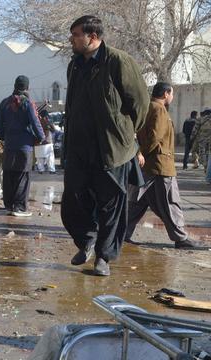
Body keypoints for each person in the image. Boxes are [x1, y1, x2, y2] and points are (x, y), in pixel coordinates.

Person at [61, 16, 149, 276]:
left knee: (111, 205)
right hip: (79, 148)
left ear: (93, 36)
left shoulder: (119, 61)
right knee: (73, 199)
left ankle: (104, 257)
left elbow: (141, 103)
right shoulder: (75, 65)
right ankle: (86, 239)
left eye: (75, 34)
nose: (71, 39)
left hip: (111, 149)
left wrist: (126, 134)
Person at [125, 83, 202, 249]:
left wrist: (139, 154)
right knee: (170, 202)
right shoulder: (159, 109)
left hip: (148, 165)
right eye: (171, 94)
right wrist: (142, 153)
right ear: (166, 94)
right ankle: (181, 238)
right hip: (160, 165)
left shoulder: (147, 107)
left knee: (136, 203)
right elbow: (155, 136)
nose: (172, 97)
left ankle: (121, 233)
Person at [0, 76, 45, 216]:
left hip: (9, 145)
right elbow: (35, 122)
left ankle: (9, 205)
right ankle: (20, 207)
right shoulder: (27, 103)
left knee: (9, 174)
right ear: (27, 88)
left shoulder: (4, 103)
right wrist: (41, 138)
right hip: (25, 146)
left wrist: (4, 137)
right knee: (22, 175)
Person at [34, 109, 58, 174]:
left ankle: (41, 170)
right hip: (47, 140)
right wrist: (49, 127)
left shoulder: (36, 121)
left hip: (38, 141)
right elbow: (54, 130)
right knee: (50, 157)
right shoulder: (48, 121)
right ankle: (51, 170)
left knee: (39, 157)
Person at [191, 108, 211, 175]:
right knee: (209, 154)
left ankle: (206, 167)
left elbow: (195, 130)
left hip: (202, 140)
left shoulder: (200, 119)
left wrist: (192, 138)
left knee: (202, 153)